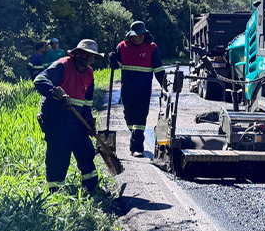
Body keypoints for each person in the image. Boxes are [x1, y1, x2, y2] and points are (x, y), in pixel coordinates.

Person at [34, 39, 103, 192]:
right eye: (88, 54)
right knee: (59, 155)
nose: (91, 58)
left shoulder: (90, 74)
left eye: (93, 56)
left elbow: (87, 103)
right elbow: (39, 79)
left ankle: (91, 188)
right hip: (56, 119)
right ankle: (55, 192)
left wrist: (89, 122)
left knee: (86, 151)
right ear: (78, 54)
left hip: (76, 122)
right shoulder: (63, 65)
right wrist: (54, 91)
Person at [108, 21, 166, 157]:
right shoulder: (122, 47)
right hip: (127, 89)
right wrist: (112, 58)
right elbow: (115, 65)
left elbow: (159, 70)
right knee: (129, 117)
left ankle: (137, 147)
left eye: (142, 35)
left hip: (144, 90)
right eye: (138, 35)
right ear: (131, 36)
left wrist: (165, 86)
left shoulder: (151, 48)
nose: (140, 37)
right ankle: (135, 133)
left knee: (140, 118)